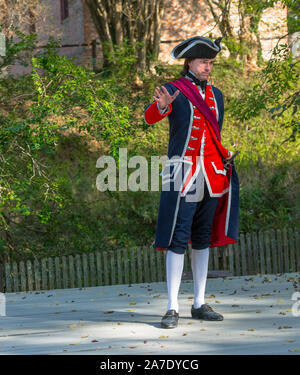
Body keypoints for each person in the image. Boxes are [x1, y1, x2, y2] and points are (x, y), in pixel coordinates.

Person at [144, 36, 239, 329]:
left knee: (202, 237)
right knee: (177, 237)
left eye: (210, 62)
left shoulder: (217, 95)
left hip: (211, 175)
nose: (208, 67)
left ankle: (198, 303)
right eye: (203, 62)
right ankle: (172, 307)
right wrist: (160, 108)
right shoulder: (173, 91)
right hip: (182, 173)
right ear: (190, 63)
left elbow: (214, 134)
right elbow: (148, 118)